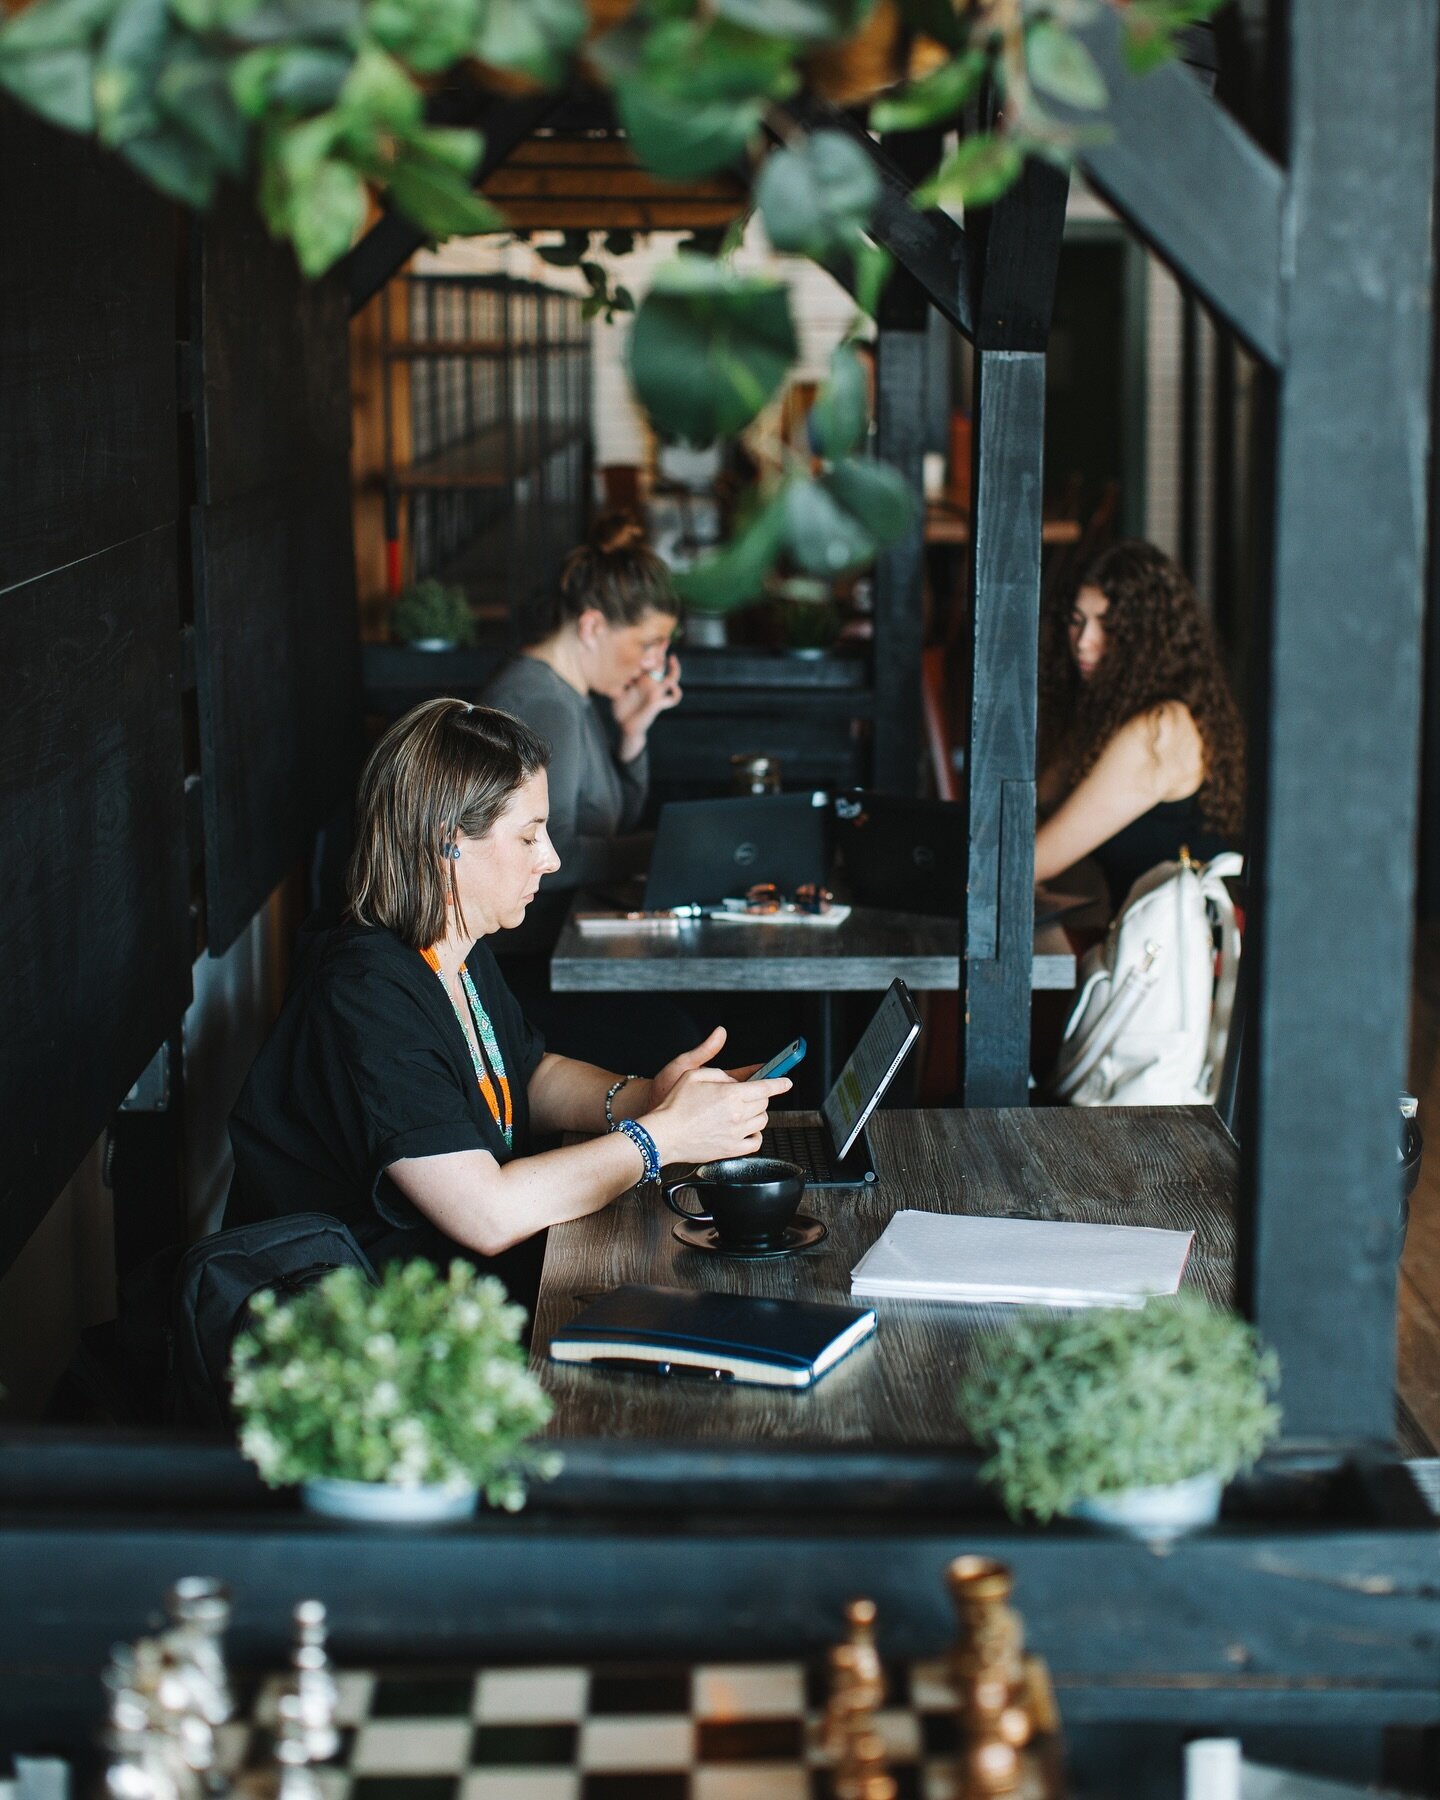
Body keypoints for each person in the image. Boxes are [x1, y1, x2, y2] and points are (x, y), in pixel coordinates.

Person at [225, 700, 789, 1287]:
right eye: (529, 837)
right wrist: (663, 1138)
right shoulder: (365, 996)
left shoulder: (457, 948)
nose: (551, 859)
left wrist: (646, 1098)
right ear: (448, 842)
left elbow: (527, 1073)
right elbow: (486, 1213)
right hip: (370, 1329)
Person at [481, 511, 682, 948]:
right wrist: (676, 846)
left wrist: (633, 736)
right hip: (532, 957)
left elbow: (612, 828)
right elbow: (560, 857)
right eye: (648, 644)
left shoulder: (574, 693)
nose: (654, 663)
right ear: (592, 626)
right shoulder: (544, 704)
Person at [1034, 539, 1244, 906]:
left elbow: (1036, 861)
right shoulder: (1114, 712)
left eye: (1107, 625)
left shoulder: (1158, 728)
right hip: (1142, 947)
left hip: (1177, 956)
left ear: (1146, 634)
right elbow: (1041, 800)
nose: (1084, 641)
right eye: (1076, 621)